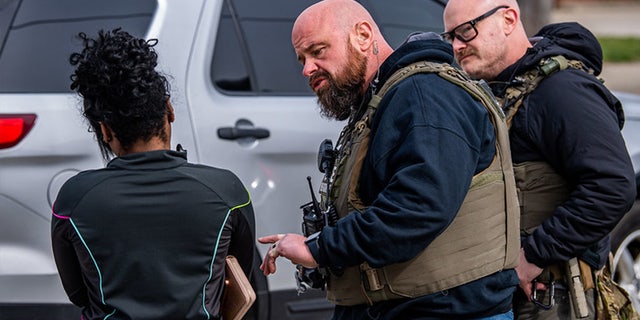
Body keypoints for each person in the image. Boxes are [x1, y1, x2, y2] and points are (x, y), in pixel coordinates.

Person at [259, 0, 521, 318]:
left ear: (363, 35)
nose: (307, 69)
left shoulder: (426, 95)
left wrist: (319, 248)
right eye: (302, 59)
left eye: (318, 51)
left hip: (443, 310)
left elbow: (419, 207)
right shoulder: (384, 99)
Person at [443, 1, 637, 319]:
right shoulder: (504, 88)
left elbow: (612, 185)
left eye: (466, 31)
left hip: (551, 298)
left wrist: (533, 254)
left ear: (508, 19)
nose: (457, 46)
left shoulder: (561, 92)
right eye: (450, 37)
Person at [51, 28, 255, 320]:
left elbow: (78, 294)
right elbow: (236, 274)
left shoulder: (74, 199)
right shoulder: (227, 192)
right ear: (169, 110)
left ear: (105, 130)